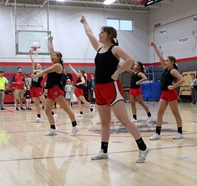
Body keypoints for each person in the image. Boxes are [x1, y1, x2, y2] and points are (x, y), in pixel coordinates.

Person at [80, 16, 149, 163]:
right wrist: (85, 22)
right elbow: (90, 34)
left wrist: (117, 73)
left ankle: (143, 147)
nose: (99, 35)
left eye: (102, 33)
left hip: (111, 87)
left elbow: (130, 60)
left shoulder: (115, 48)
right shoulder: (99, 48)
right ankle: (103, 151)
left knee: (124, 120)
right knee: (104, 121)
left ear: (110, 35)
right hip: (98, 88)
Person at [31, 36, 79, 136]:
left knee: (66, 109)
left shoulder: (58, 65)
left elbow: (45, 71)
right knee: (48, 110)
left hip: (57, 89)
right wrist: (50, 41)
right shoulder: (54, 62)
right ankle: (53, 129)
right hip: (50, 89)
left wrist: (36, 75)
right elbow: (51, 51)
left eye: (54, 55)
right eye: (52, 55)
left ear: (59, 58)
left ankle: (75, 126)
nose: (52, 56)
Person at [149, 42, 185, 140]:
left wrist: (173, 86)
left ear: (172, 62)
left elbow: (182, 80)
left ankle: (180, 132)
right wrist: (155, 47)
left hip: (171, 94)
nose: (165, 62)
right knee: (159, 113)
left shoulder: (173, 70)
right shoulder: (165, 68)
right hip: (164, 94)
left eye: (167, 61)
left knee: (175, 113)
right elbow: (160, 57)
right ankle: (157, 133)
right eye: (165, 61)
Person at [29, 50, 49, 122]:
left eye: (39, 66)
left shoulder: (42, 72)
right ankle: (38, 117)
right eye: (37, 66)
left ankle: (52, 113)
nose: (38, 66)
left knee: (44, 102)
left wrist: (36, 71)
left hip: (38, 88)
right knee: (36, 104)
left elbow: (43, 71)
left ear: (40, 67)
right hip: (32, 88)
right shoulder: (34, 71)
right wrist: (30, 55)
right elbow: (33, 62)